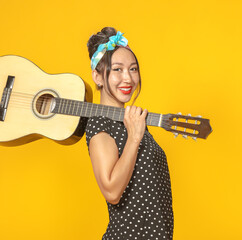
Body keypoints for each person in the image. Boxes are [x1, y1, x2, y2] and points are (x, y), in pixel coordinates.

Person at [85, 27, 174, 240]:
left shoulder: (131, 121)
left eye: (133, 69)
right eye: (117, 69)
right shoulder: (100, 126)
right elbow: (112, 192)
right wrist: (134, 139)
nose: (128, 78)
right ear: (97, 76)